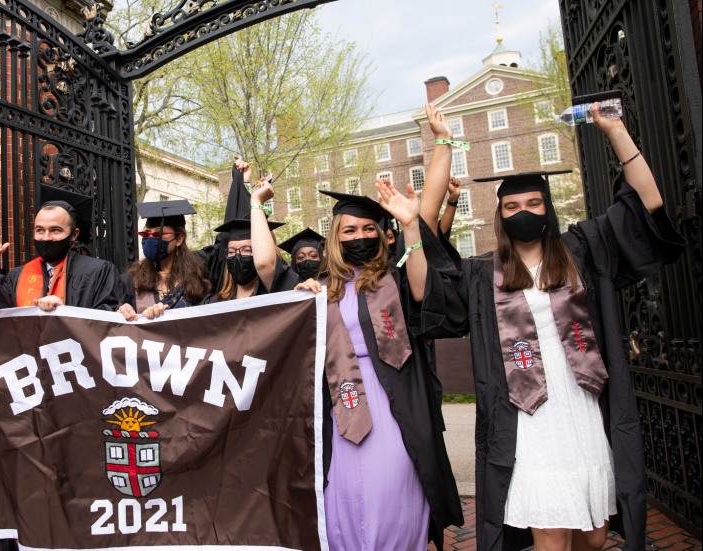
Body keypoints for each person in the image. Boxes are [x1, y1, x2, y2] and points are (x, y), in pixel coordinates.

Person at [417, 103, 685, 550]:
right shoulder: (482, 273)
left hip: (583, 406)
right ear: (501, 214)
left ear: (548, 208)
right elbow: (425, 234)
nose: (523, 211)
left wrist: (616, 131)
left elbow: (647, 204)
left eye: (533, 202)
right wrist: (443, 144)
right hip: (525, 417)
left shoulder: (583, 248)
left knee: (595, 538)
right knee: (550, 538)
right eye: (513, 205)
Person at [296, 180, 464, 550]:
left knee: (392, 487)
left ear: (381, 234)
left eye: (369, 228)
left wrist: (410, 224)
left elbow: (426, 294)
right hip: (339, 400)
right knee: (342, 493)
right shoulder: (319, 288)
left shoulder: (395, 279)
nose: (360, 236)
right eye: (350, 230)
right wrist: (297, 308)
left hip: (394, 397)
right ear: (335, 239)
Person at [0, 184, 121, 318]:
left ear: (74, 235)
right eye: (40, 230)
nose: (46, 237)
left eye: (55, 230)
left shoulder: (99, 272)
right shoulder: (17, 276)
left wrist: (68, 313)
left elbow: (107, 322)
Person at [117, 200, 212, 321]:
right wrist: (121, 312)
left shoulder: (198, 278)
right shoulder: (130, 281)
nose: (150, 239)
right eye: (145, 234)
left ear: (179, 239)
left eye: (157, 235)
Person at [208, 177, 299, 302]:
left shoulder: (274, 292)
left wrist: (256, 201)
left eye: (246, 250)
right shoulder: (214, 303)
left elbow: (264, 263)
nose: (238, 256)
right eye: (231, 252)